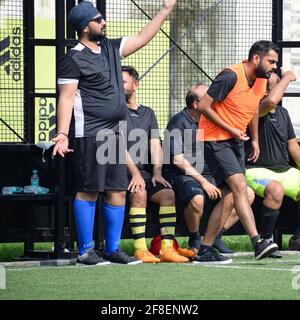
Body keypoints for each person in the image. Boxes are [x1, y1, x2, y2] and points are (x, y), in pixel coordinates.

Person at [52, 0, 177, 265]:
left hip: (114, 134)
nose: (104, 22)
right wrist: (62, 134)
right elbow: (65, 99)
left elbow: (143, 38)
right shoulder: (72, 59)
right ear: (86, 27)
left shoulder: (110, 48)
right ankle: (86, 251)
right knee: (89, 191)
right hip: (89, 135)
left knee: (117, 191)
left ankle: (112, 249)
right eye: (99, 19)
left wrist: (165, 10)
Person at [196, 40, 280, 260]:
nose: (274, 67)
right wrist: (231, 129)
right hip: (214, 138)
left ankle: (204, 249)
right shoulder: (230, 75)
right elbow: (203, 106)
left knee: (231, 196)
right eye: (271, 61)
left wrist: (255, 140)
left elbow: (252, 107)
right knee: (240, 187)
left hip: (235, 140)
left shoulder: (261, 79)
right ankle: (257, 242)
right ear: (256, 58)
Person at [164, 83, 255, 263]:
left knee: (247, 194)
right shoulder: (178, 122)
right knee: (197, 198)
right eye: (208, 97)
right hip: (184, 175)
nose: (214, 100)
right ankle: (195, 239)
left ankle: (214, 238)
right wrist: (203, 182)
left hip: (211, 174)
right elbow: (177, 160)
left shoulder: (213, 121)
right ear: (196, 104)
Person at [122, 65, 191, 263]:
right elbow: (118, 146)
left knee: (168, 193)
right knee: (140, 192)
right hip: (121, 173)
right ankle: (140, 249)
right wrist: (134, 174)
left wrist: (157, 172)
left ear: (136, 85)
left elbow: (155, 145)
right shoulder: (116, 110)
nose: (119, 86)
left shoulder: (148, 113)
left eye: (123, 82)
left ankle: (167, 249)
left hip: (144, 173)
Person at [244, 70, 300, 253]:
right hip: (256, 170)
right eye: (277, 86)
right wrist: (287, 78)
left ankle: (297, 239)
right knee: (276, 189)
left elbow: (293, 146)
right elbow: (271, 101)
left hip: (285, 170)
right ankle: (266, 241)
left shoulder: (283, 113)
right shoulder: (255, 109)